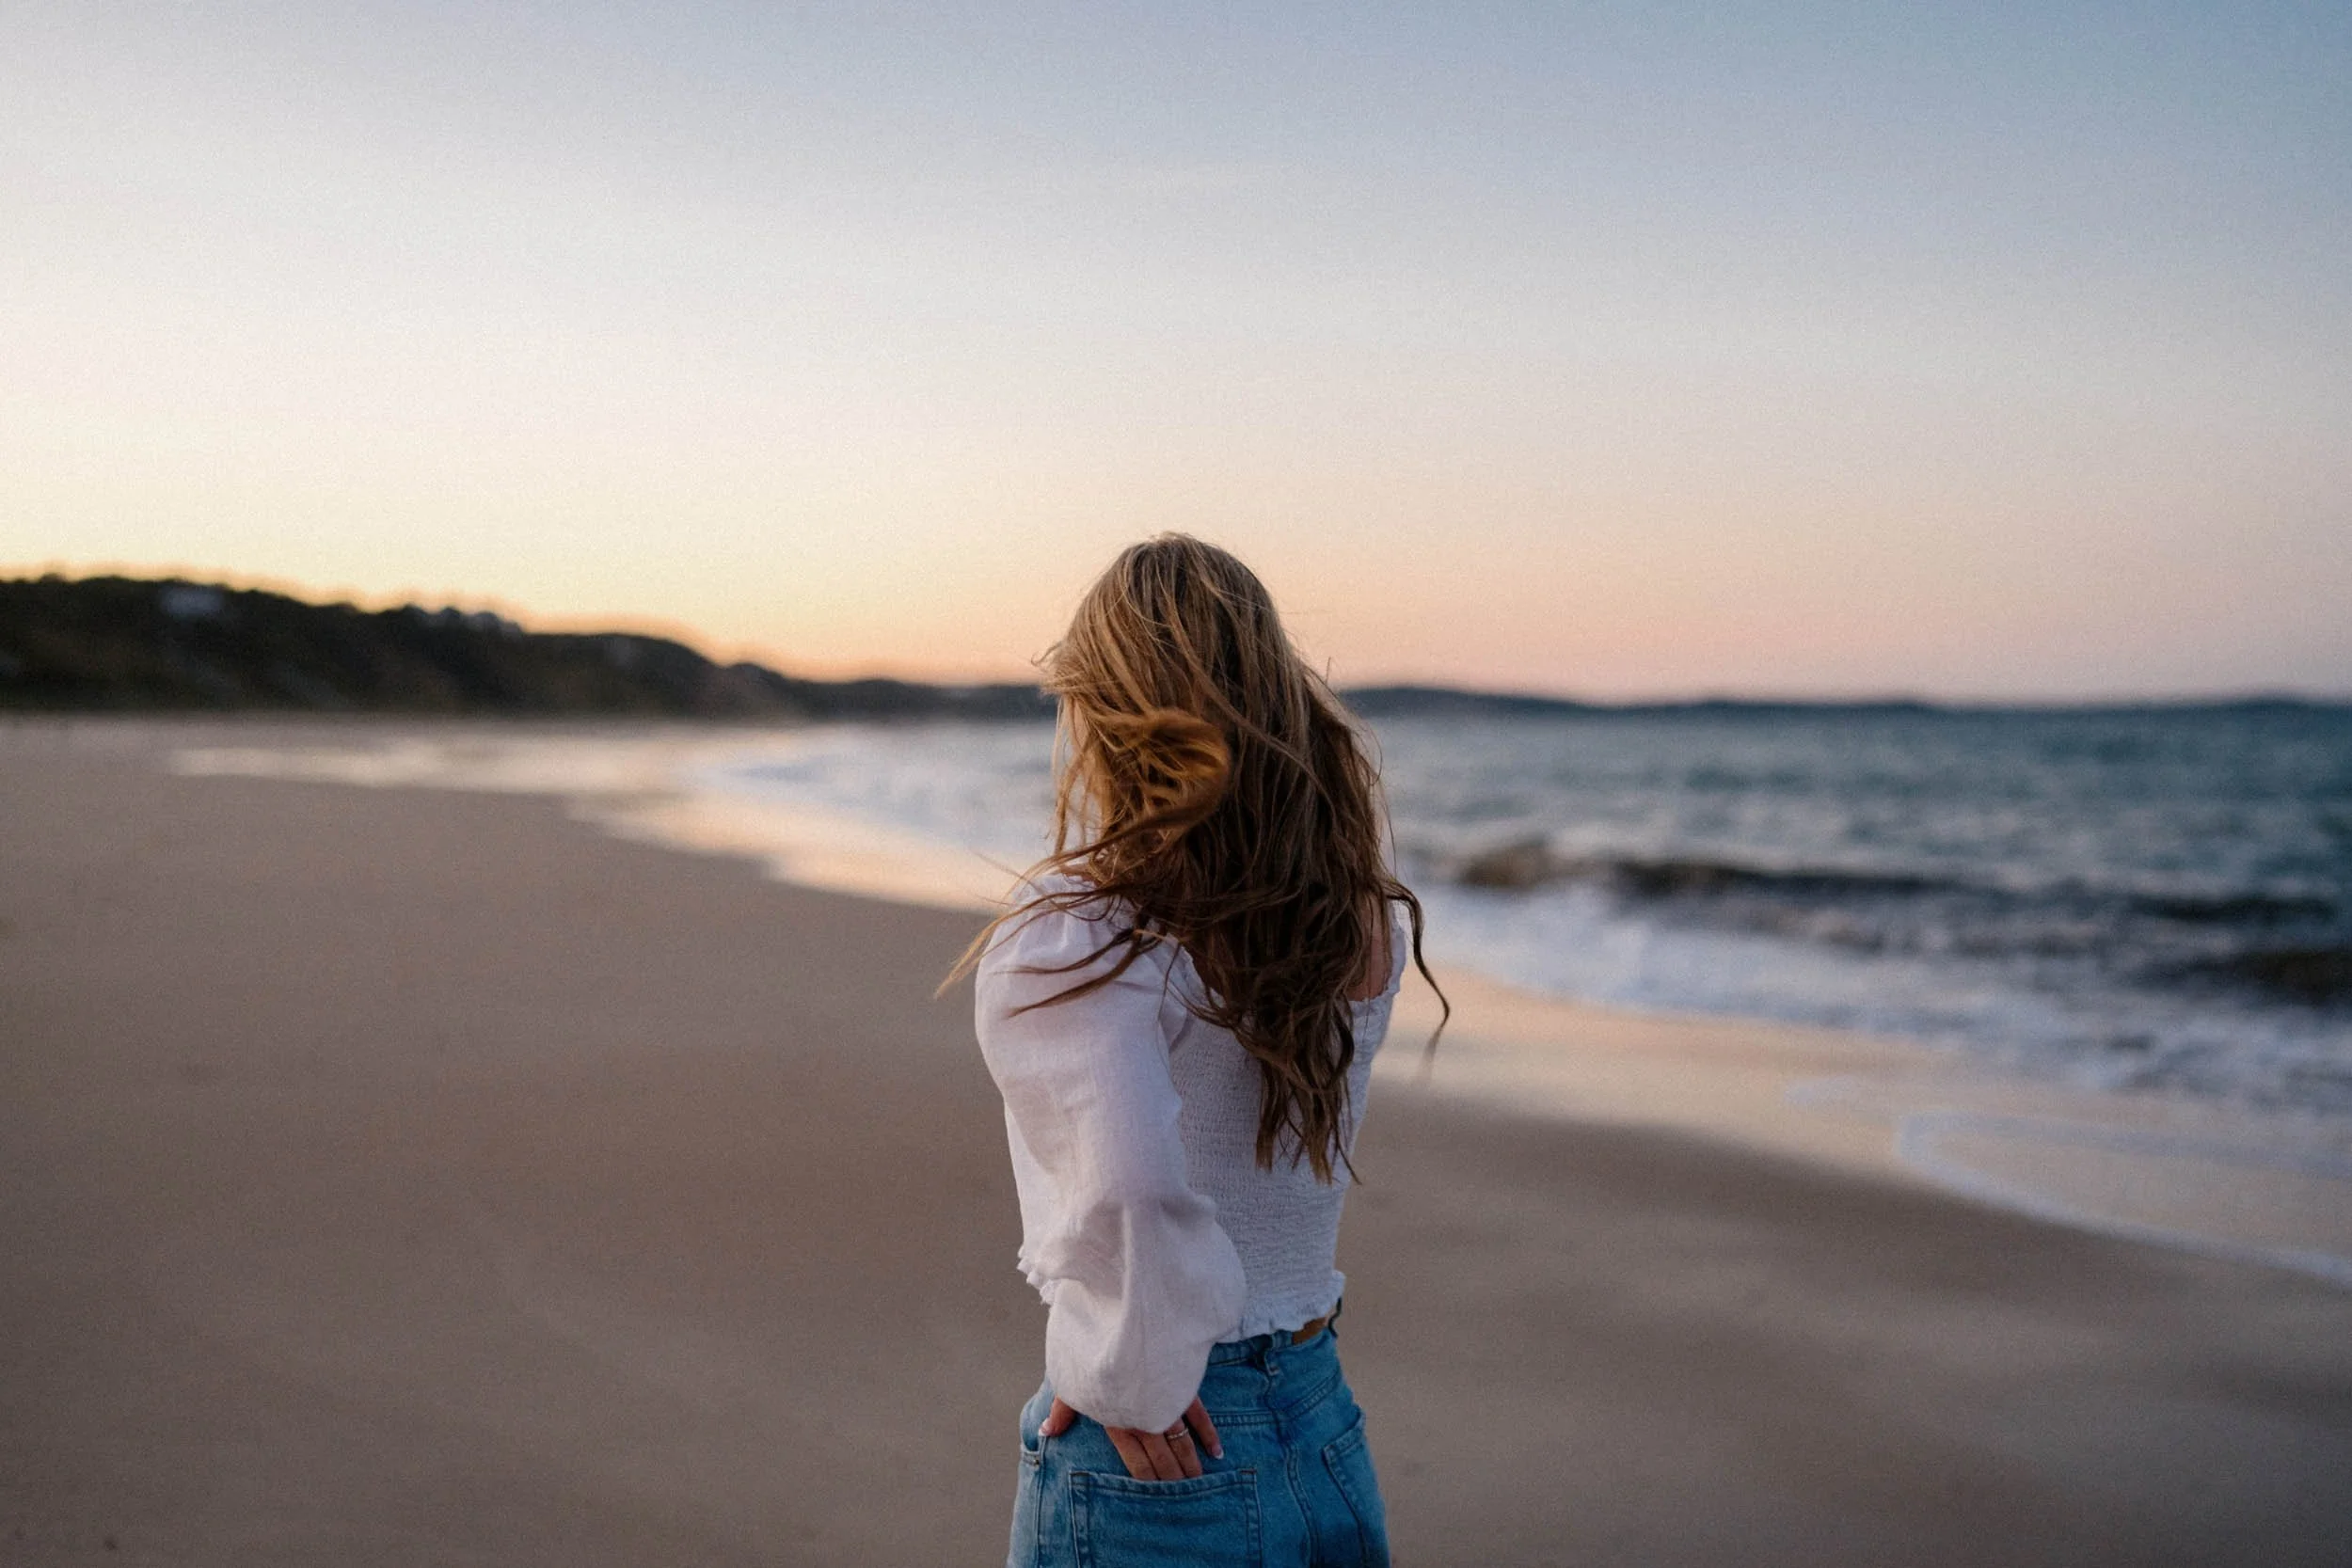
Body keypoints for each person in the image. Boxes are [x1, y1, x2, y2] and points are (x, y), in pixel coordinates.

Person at [956, 534, 1442, 1567]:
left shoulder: (1086, 930)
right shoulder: (1351, 916)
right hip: (1320, 1420)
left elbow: (1126, 1187)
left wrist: (1127, 1374)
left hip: (1171, 1446)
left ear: (1106, 709)